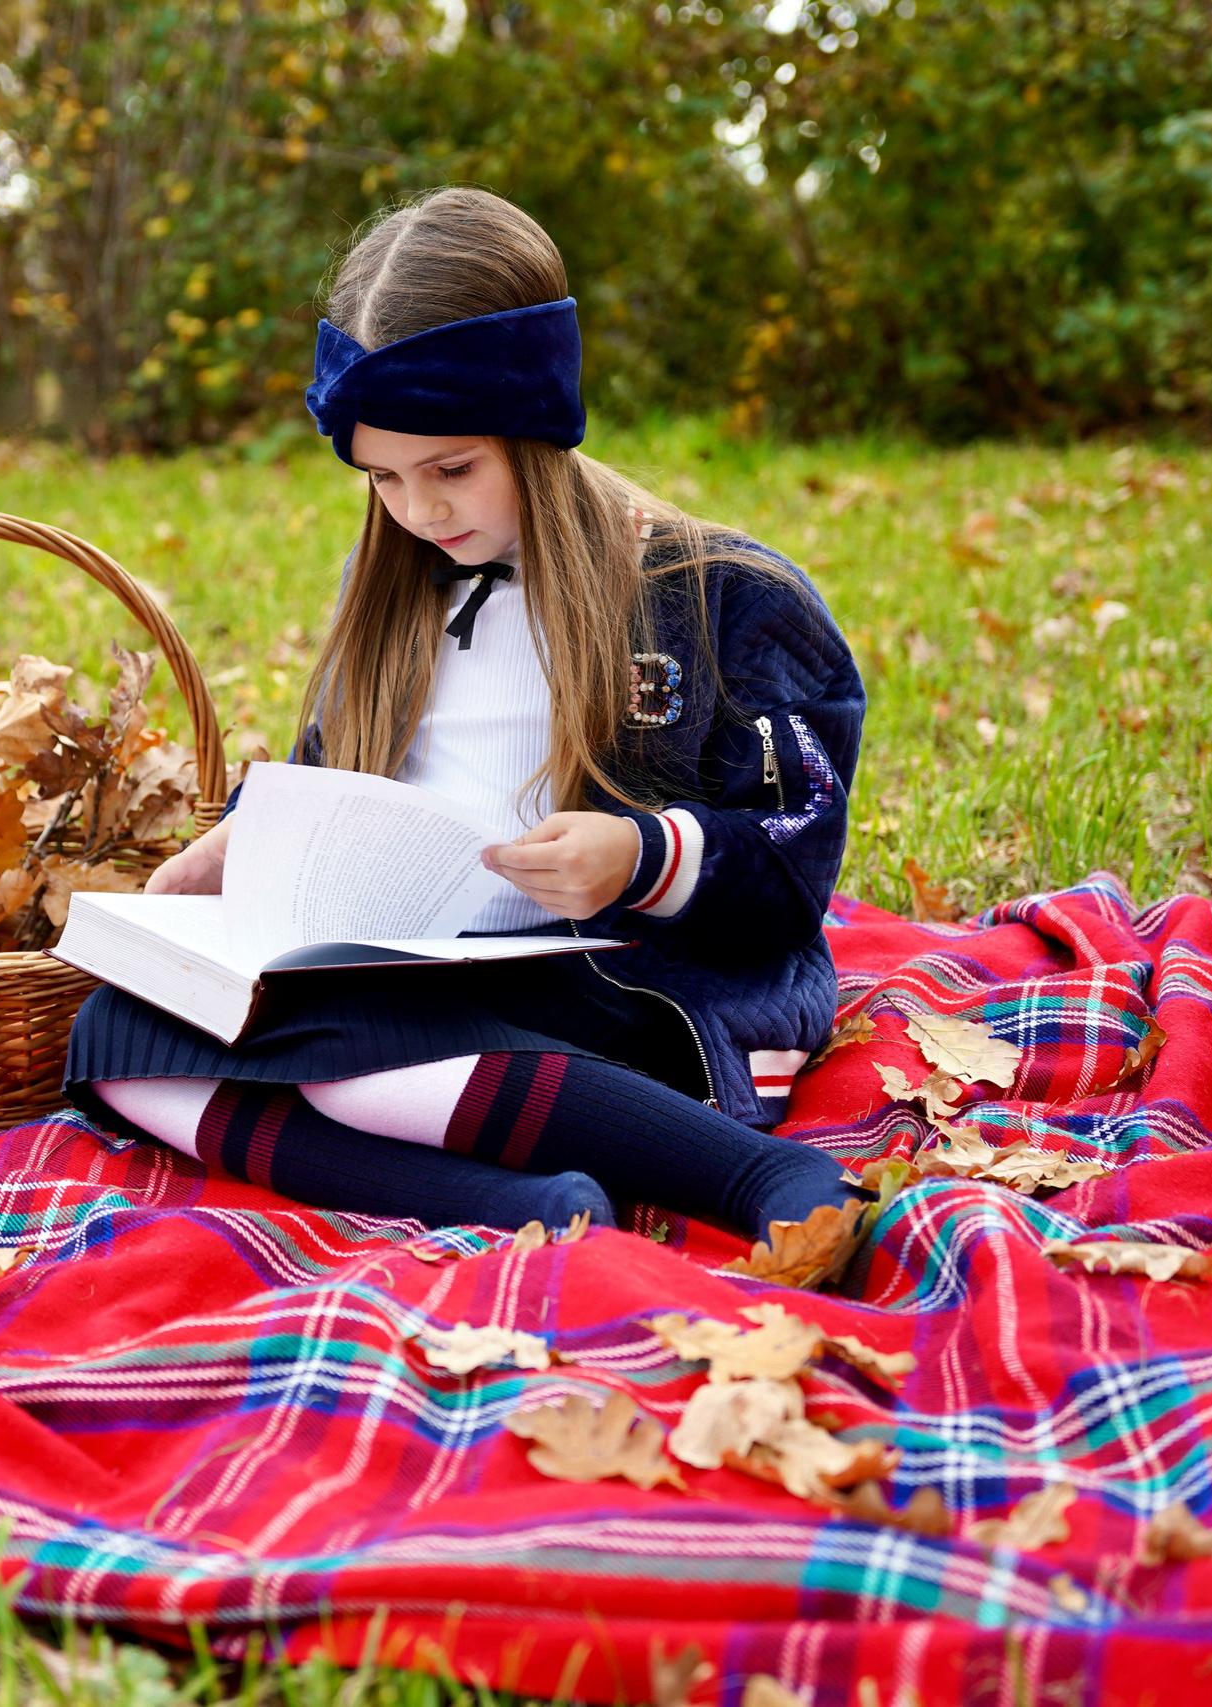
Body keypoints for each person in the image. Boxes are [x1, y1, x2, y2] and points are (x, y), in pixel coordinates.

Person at [63, 187, 866, 1261]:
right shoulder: (394, 583)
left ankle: (765, 1175)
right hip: (409, 969)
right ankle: (513, 1203)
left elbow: (795, 848)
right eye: (383, 478)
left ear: (535, 426)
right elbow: (332, 771)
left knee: (348, 1053)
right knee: (114, 1036)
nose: (421, 513)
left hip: (617, 980)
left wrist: (636, 854)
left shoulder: (717, 597)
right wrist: (241, 841)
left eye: (451, 470)